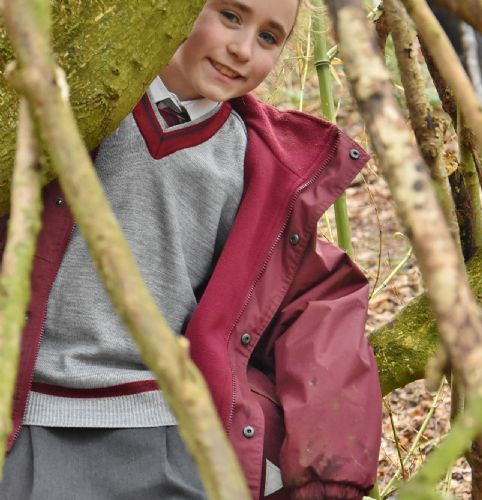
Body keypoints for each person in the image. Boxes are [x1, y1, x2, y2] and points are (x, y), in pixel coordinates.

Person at [0, 0, 382, 498]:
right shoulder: (74, 97)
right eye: (230, 16)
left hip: (163, 429)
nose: (242, 49)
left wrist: (329, 473)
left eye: (268, 37)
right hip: (23, 417)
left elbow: (318, 308)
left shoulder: (261, 166)